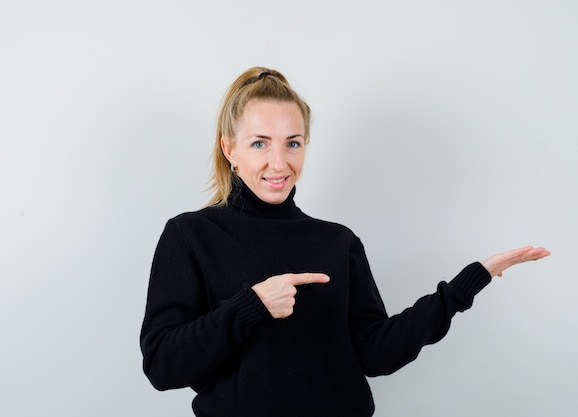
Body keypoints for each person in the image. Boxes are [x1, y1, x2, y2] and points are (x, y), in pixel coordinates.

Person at [140, 67, 550, 417]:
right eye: (260, 143)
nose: (279, 163)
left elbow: (374, 354)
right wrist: (251, 306)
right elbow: (162, 366)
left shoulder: (337, 242)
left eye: (293, 143)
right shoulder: (190, 235)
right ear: (230, 149)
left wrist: (466, 285)